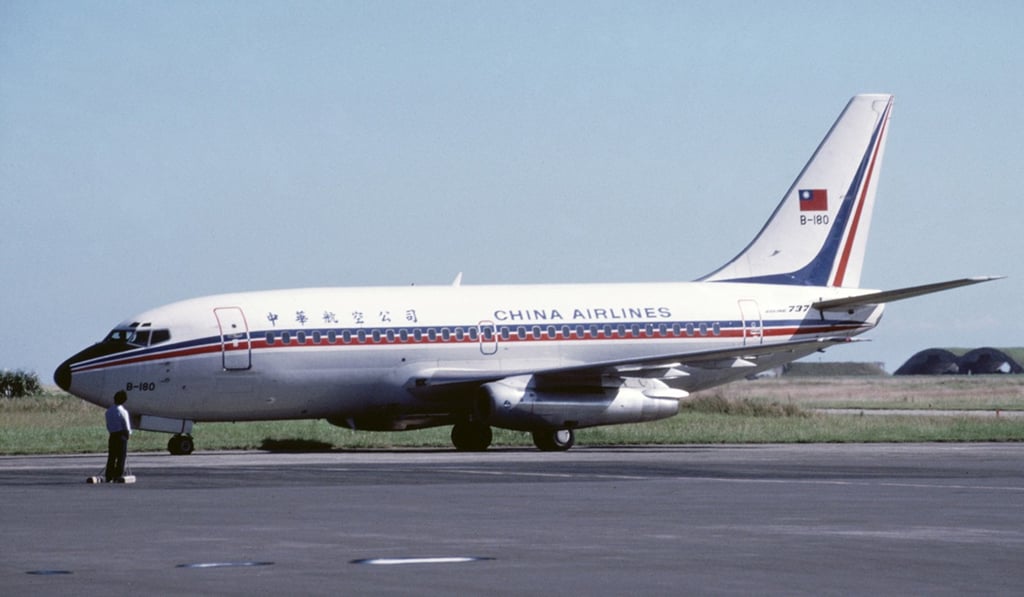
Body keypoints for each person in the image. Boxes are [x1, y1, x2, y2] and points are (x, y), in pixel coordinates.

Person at [104, 391, 132, 482]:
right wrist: (127, 435)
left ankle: (109, 475)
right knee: (121, 456)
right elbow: (126, 426)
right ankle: (118, 474)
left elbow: (108, 425)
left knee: (112, 456)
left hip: (112, 435)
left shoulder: (108, 411)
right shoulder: (123, 411)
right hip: (121, 435)